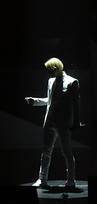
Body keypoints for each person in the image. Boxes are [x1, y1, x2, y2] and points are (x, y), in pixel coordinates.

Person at [25, 58, 83, 188]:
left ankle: (71, 180)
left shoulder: (72, 82)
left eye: (49, 71)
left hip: (64, 123)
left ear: (56, 69)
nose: (47, 73)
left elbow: (76, 104)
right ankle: (42, 179)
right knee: (46, 151)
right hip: (50, 122)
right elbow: (50, 100)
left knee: (66, 152)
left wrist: (76, 123)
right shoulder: (51, 81)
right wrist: (35, 101)